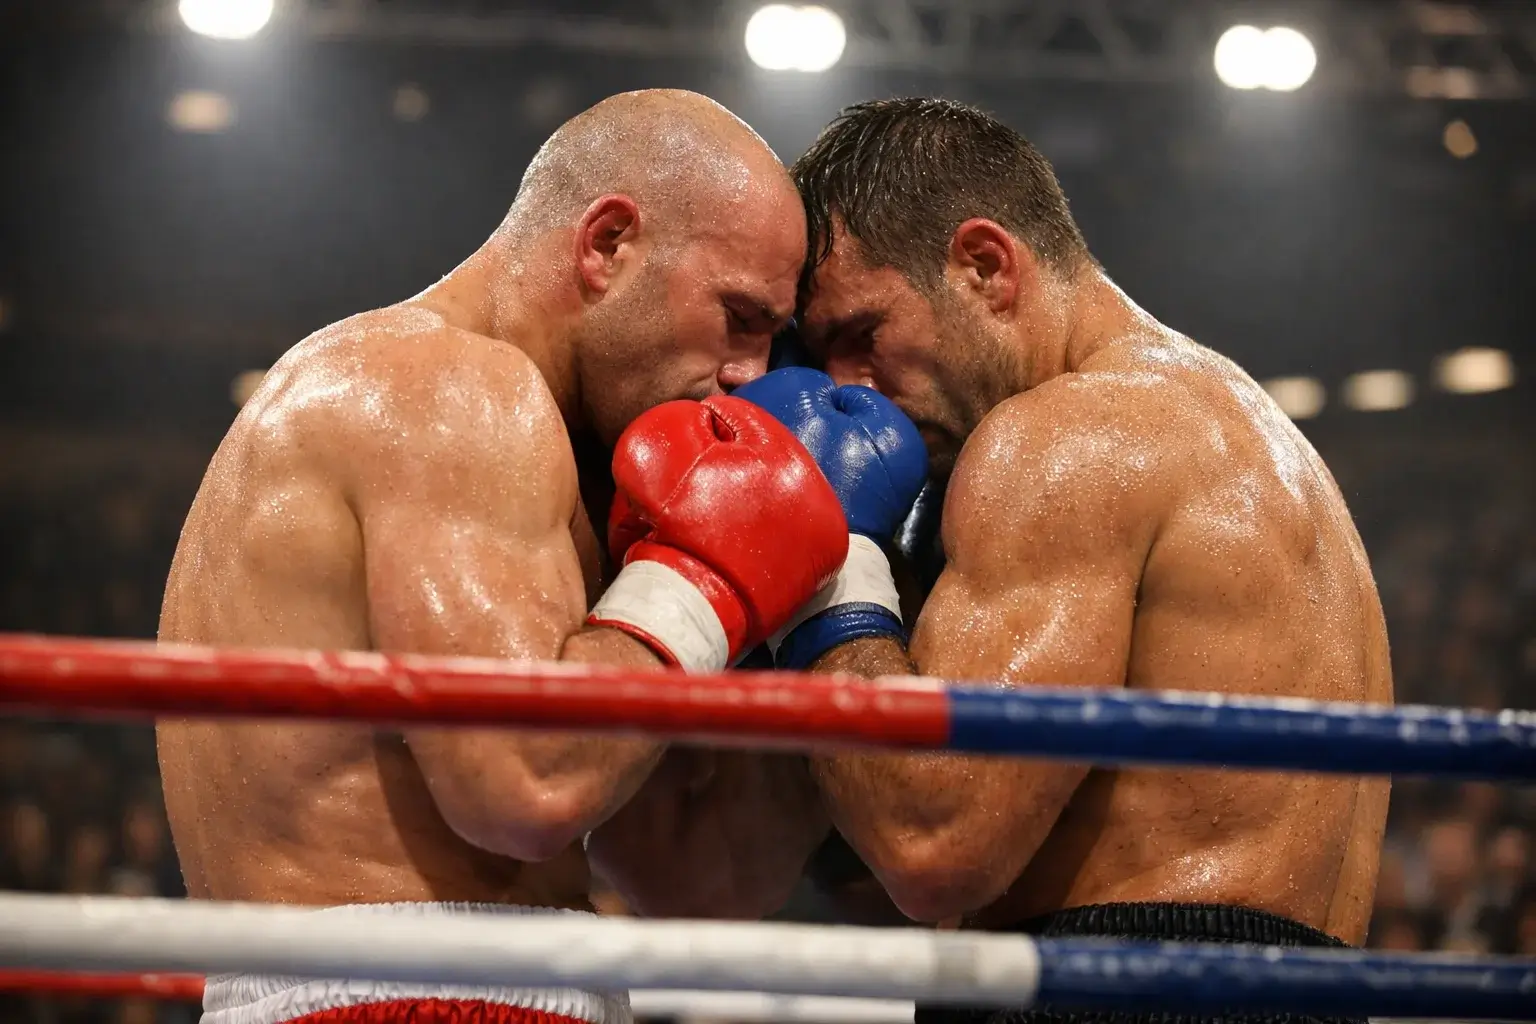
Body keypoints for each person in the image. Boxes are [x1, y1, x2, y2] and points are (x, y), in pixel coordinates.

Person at [157, 89, 852, 1024]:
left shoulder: (535, 457)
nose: (750, 373)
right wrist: (703, 580)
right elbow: (528, 781)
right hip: (415, 991)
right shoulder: (445, 386)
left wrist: (815, 597)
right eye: (739, 316)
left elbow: (701, 880)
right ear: (607, 244)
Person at [774, 97, 1393, 1024]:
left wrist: (830, 567)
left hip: (1118, 988)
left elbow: (932, 842)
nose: (849, 391)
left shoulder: (1068, 435)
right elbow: (863, 875)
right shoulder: (1258, 434)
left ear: (986, 266)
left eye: (863, 335)